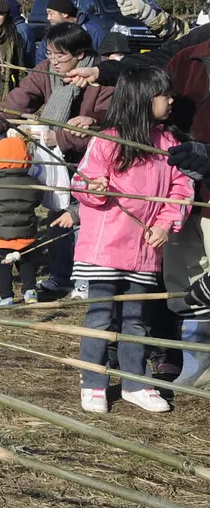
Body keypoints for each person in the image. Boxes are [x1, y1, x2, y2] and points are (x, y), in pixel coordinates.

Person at [72, 66, 190, 413]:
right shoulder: (109, 139)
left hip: (146, 248)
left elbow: (181, 190)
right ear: (142, 100)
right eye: (163, 94)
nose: (170, 100)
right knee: (100, 316)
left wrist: (167, 225)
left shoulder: (168, 144)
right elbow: (82, 181)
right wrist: (94, 190)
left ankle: (134, 382)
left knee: (137, 318)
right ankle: (94, 381)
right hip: (105, 248)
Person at [0, 23, 112, 297]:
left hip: (94, 160)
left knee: (87, 218)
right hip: (56, 161)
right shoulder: (45, 72)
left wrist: (62, 138)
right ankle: (61, 276)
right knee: (58, 213)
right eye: (50, 53)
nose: (54, 61)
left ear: (80, 53)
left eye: (60, 55)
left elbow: (108, 123)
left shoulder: (103, 77)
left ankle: (88, 278)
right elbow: (15, 104)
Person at [0, 137, 41, 306]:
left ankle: (6, 296)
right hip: (26, 233)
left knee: (2, 267)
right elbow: (37, 201)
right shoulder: (34, 184)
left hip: (0, 236)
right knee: (26, 263)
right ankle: (31, 291)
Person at [36, 0, 108, 63]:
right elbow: (41, 57)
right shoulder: (51, 31)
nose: (48, 18)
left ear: (64, 14)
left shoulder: (92, 30)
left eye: (51, 13)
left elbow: (103, 57)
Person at [0, 0, 28, 91]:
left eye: (1, 14)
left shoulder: (13, 37)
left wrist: (21, 90)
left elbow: (20, 68)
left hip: (4, 88)